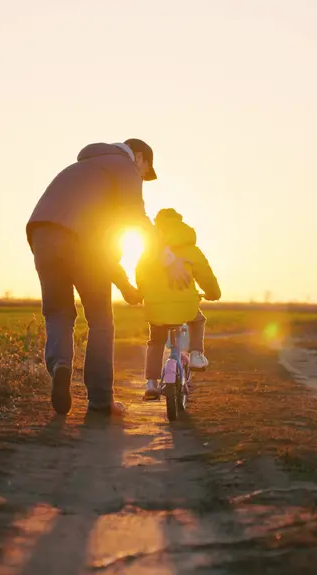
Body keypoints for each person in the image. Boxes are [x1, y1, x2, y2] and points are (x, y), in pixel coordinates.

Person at [26, 139, 192, 417]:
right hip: (82, 242)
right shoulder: (124, 167)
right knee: (101, 321)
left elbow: (102, 245)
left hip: (42, 235)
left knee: (57, 312)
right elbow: (134, 221)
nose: (141, 177)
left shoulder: (80, 169)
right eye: (144, 171)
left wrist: (124, 285)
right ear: (138, 157)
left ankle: (60, 365)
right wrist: (169, 259)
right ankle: (101, 401)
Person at [134, 208, 221, 400]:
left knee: (156, 341)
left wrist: (144, 292)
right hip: (185, 307)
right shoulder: (191, 250)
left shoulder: (150, 249)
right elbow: (205, 275)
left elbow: (140, 274)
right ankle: (197, 354)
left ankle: (151, 383)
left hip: (155, 307)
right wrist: (213, 293)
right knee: (197, 320)